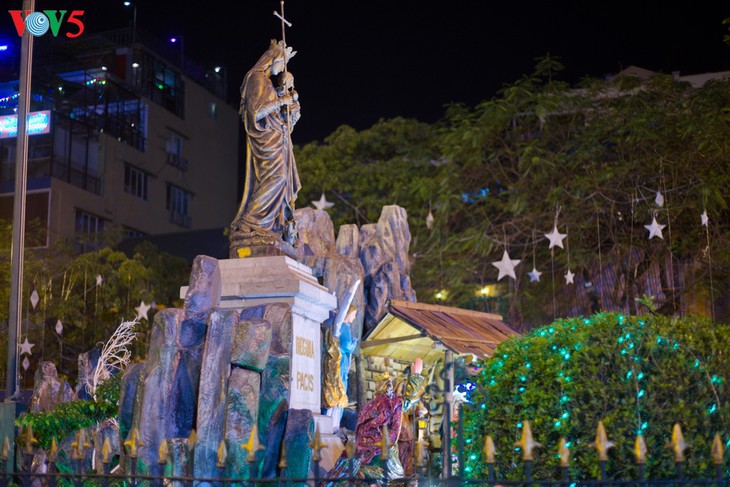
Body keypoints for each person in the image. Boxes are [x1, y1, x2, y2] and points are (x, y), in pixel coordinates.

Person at [230, 39, 302, 249]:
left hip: (277, 138)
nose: (283, 68)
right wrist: (281, 101)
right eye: (282, 62)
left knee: (282, 181)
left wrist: (290, 111)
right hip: (266, 141)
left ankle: (269, 227)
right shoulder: (257, 78)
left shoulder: (268, 83)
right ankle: (249, 223)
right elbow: (256, 112)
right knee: (277, 178)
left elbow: (276, 117)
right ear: (273, 59)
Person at [327, 358, 425, 484]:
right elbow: (408, 400)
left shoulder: (368, 406)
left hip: (364, 452)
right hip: (382, 454)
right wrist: (416, 376)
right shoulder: (390, 404)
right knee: (395, 475)